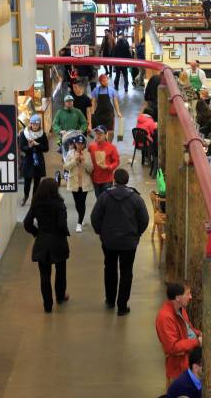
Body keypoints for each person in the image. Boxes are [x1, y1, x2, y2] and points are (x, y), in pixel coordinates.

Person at [91, 168, 149, 315]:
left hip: (109, 241)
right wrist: (137, 233)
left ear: (114, 180)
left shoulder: (105, 196)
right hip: (129, 243)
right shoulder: (136, 198)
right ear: (127, 180)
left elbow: (95, 217)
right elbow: (144, 219)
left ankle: (110, 300)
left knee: (109, 269)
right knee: (126, 272)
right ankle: (122, 306)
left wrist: (101, 233)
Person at [23, 178, 70, 313]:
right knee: (61, 271)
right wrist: (63, 233)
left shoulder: (36, 204)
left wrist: (37, 233)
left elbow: (27, 223)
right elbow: (61, 224)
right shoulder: (59, 204)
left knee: (44, 276)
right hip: (58, 242)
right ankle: (60, 296)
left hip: (42, 242)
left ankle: (47, 305)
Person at [155, 282, 202, 383]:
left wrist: (199, 334)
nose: (191, 297)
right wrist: (197, 342)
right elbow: (172, 347)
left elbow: (189, 329)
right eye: (187, 294)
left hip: (190, 352)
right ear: (177, 298)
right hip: (180, 363)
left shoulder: (181, 309)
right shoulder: (165, 318)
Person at [63, 134, 93, 233]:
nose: (80, 145)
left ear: (84, 144)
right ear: (75, 143)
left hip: (84, 183)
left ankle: (79, 223)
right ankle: (81, 216)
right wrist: (75, 161)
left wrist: (84, 162)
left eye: (82, 144)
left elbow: (91, 169)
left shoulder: (87, 153)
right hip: (74, 183)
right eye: (78, 143)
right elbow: (66, 167)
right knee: (77, 203)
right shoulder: (70, 153)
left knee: (82, 203)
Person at [19, 114, 49, 206]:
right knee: (27, 180)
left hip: (38, 160)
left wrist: (37, 145)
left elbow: (46, 148)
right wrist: (29, 146)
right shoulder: (24, 134)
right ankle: (26, 196)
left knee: (37, 180)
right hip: (28, 159)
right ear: (30, 124)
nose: (35, 126)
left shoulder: (42, 134)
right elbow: (22, 147)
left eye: (37, 125)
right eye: (33, 124)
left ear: (39, 125)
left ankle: (34, 198)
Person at [88, 126, 120, 197]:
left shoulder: (112, 147)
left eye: (100, 134)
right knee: (99, 200)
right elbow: (88, 161)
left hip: (107, 180)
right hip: (95, 179)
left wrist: (109, 167)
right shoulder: (91, 147)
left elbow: (116, 161)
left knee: (107, 201)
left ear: (106, 135)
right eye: (97, 134)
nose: (98, 136)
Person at [91, 74, 123, 142]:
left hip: (109, 115)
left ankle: (109, 146)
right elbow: (93, 103)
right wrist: (92, 114)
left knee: (110, 132)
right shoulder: (95, 90)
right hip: (99, 115)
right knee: (99, 132)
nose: (106, 82)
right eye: (104, 81)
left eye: (106, 80)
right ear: (100, 82)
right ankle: (99, 146)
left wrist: (118, 112)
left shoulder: (111, 90)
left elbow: (115, 102)